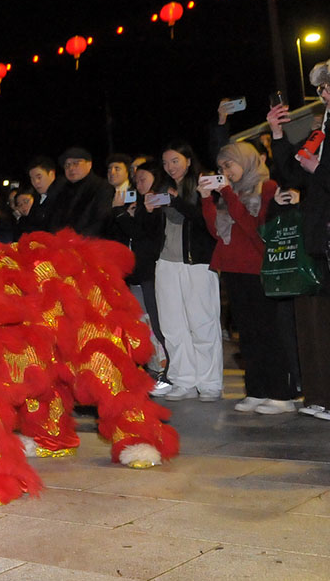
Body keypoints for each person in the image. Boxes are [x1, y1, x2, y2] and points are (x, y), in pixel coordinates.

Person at [202, 142, 298, 413]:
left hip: (259, 269)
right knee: (247, 335)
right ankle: (257, 390)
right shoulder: (230, 192)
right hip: (233, 270)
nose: (225, 171)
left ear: (246, 161)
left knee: (269, 332)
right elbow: (217, 231)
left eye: (229, 165)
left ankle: (282, 394)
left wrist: (229, 196)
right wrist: (207, 198)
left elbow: (256, 230)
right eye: (221, 167)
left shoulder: (265, 188)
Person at [267, 61, 330, 420]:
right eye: (320, 89)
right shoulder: (322, 128)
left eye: (327, 87)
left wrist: (318, 169)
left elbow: (314, 172)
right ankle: (320, 395)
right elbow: (292, 172)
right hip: (318, 235)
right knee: (314, 319)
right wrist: (277, 134)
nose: (323, 94)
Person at [150, 140, 220, 401]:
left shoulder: (202, 183)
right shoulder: (162, 188)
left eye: (175, 161)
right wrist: (148, 210)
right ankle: (183, 380)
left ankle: (210, 383)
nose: (170, 167)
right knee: (172, 326)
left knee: (202, 325)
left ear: (189, 160)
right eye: (166, 162)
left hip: (197, 263)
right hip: (166, 263)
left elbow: (205, 221)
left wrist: (176, 201)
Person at [112, 164, 171, 392]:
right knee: (142, 323)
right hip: (136, 272)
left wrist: (120, 212)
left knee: (156, 323)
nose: (139, 184)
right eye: (136, 180)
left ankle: (164, 372)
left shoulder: (156, 203)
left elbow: (141, 232)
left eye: (143, 178)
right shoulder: (140, 203)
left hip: (150, 271)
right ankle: (152, 370)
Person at [51, 147, 116, 236]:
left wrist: (78, 239)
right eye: (67, 165)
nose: (71, 168)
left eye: (76, 163)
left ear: (89, 164)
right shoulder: (61, 188)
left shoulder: (102, 187)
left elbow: (102, 220)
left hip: (90, 242)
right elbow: (53, 218)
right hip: (61, 242)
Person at [22, 155, 63, 232]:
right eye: (32, 179)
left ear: (51, 174)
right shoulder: (37, 199)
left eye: (39, 177)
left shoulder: (64, 197)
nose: (35, 182)